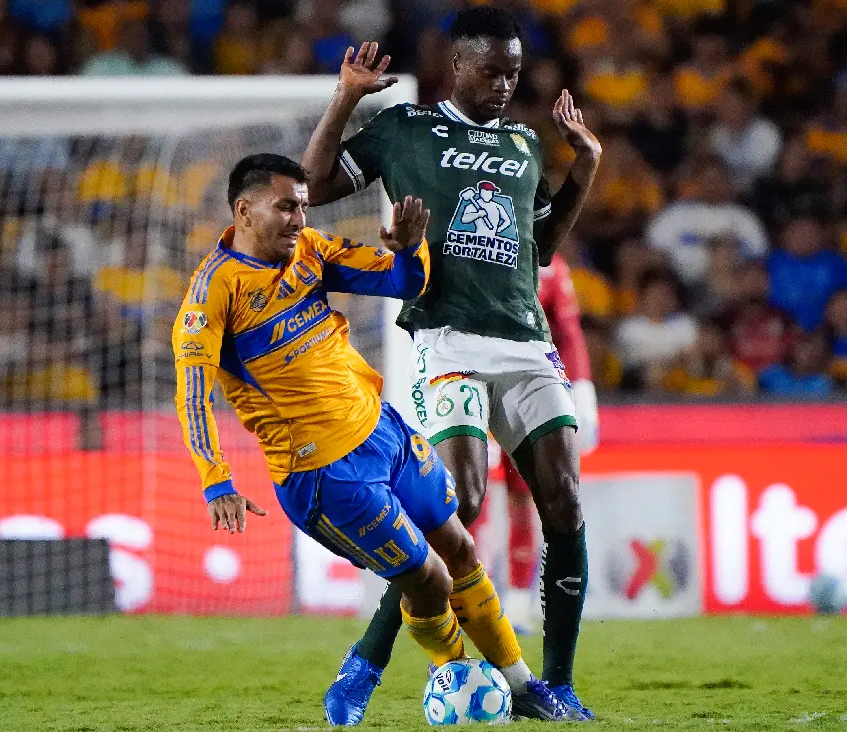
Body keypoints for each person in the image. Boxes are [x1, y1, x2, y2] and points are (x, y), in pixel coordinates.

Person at [173, 154, 563, 723]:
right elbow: (192, 395)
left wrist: (408, 248)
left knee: (460, 548)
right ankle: (455, 677)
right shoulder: (213, 292)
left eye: (303, 206)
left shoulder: (311, 250)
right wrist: (217, 481)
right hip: (325, 473)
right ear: (244, 210)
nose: (299, 219)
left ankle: (522, 685)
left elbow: (403, 282)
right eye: (286, 207)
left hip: (382, 431)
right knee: (428, 578)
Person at [301, 6, 600, 722]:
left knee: (564, 501)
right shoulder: (403, 129)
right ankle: (367, 659)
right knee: (456, 507)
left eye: (514, 74)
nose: (504, 85)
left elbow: (542, 248)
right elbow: (311, 185)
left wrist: (584, 167)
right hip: (445, 341)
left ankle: (557, 686)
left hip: (524, 342)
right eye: (492, 71)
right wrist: (344, 99)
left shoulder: (525, 144)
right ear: (457, 65)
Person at [483, 252, 598, 634]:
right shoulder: (474, 246)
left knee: (523, 497)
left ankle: (518, 604)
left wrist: (582, 389)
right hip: (474, 383)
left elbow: (568, 331)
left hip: (527, 391)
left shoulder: (549, 265)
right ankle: (472, 596)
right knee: (473, 496)